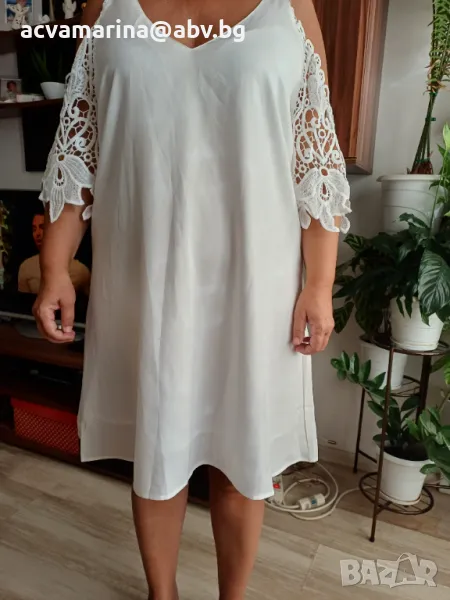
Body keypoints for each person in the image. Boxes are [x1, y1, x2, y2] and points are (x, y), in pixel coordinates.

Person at [34, 0, 351, 598]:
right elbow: (79, 152)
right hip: (145, 286)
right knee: (158, 451)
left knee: (242, 457)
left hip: (255, 288)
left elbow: (316, 161)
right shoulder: (107, 9)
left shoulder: (289, 9)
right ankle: (164, 595)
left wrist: (318, 284)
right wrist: (55, 267)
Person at [18, 211, 90, 295]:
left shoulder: (80, 271)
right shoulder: (26, 267)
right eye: (34, 229)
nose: (37, 233)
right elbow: (21, 301)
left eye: (42, 227)